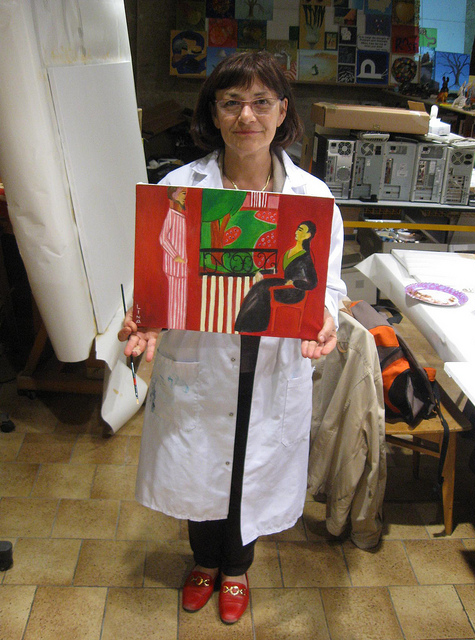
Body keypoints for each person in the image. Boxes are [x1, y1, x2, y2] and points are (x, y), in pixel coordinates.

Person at [118, 50, 346, 625]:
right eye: (231, 102)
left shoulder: (313, 198)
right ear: (214, 113)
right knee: (201, 463)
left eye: (261, 102)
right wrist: (146, 318)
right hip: (201, 358)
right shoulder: (180, 188)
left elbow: (330, 286)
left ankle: (237, 568)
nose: (247, 115)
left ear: (282, 112)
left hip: (272, 361)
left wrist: (327, 318)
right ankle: (204, 562)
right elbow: (159, 276)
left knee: (251, 464)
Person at [234, 220, 318, 333]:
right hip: (284, 286)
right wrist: (262, 272)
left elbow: (313, 283)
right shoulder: (289, 252)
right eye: (298, 229)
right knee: (260, 286)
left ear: (308, 235)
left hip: (294, 292)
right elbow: (278, 270)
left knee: (263, 289)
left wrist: (295, 283)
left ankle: (253, 326)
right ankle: (247, 325)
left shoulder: (306, 257)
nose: (296, 232)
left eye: (300, 230)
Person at [159, 186, 188, 330]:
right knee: (176, 302)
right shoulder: (171, 215)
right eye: (182, 193)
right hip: (174, 267)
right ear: (174, 195)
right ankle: (175, 327)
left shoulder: (181, 215)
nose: (184, 196)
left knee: (181, 303)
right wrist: (175, 256)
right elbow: (162, 238)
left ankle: (179, 327)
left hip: (183, 267)